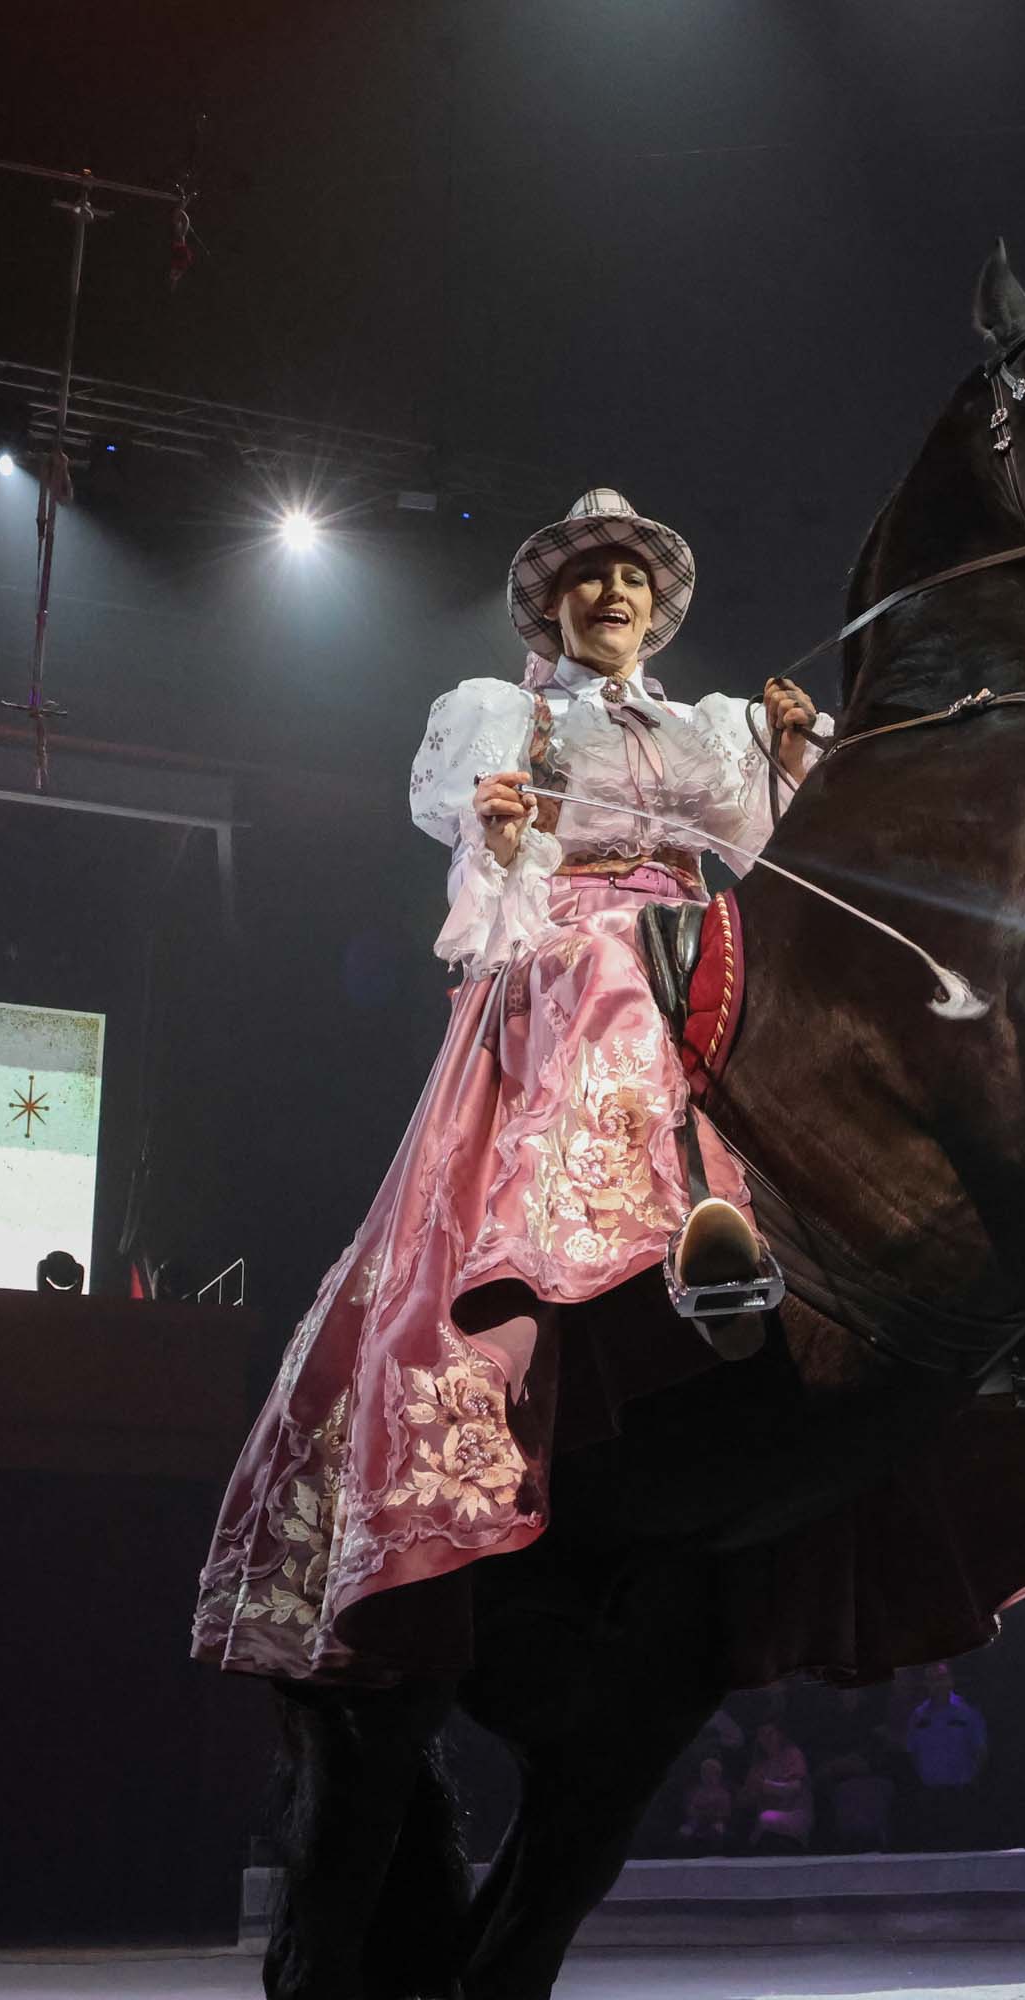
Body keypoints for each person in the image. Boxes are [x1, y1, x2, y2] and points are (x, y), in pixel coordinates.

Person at [191, 489, 830, 1685]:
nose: (615, 591)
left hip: (702, 932)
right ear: (553, 607)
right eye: (592, 575)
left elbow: (764, 850)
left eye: (632, 576)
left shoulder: (709, 726)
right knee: (611, 966)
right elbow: (493, 894)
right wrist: (498, 839)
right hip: (569, 942)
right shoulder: (506, 715)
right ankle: (690, 1230)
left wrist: (789, 758)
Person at [903, 1664, 991, 1848]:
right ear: (926, 1684)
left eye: (941, 1678)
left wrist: (971, 1780)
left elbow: (981, 1750)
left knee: (963, 1848)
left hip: (960, 1794)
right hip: (931, 1796)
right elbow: (912, 1752)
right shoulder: (918, 1716)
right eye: (932, 1680)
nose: (938, 1684)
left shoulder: (967, 1712)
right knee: (933, 1850)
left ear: (951, 1680)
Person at [738, 1720, 814, 1849]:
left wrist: (766, 1786)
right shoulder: (759, 1765)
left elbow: (794, 1788)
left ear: (779, 1734)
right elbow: (744, 1799)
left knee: (767, 1818)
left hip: (795, 1813)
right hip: (765, 1819)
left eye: (770, 1734)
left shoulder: (793, 1754)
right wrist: (750, 1794)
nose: (766, 1738)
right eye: (762, 1735)